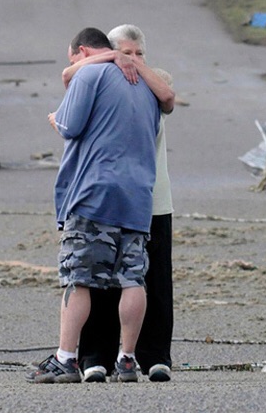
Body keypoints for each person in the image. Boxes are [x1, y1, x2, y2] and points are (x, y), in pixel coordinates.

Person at [29, 27, 160, 384]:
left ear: (82, 51)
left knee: (78, 277)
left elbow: (70, 126)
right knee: (133, 278)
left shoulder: (90, 72)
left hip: (94, 193)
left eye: (72, 60)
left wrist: (56, 118)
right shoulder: (146, 85)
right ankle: (128, 359)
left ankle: (66, 358)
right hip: (138, 195)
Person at [61, 25, 176, 383]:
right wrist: (112, 60)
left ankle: (150, 356)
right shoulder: (101, 76)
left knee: (143, 281)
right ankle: (102, 357)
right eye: (126, 52)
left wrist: (132, 65)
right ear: (109, 53)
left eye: (139, 54)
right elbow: (68, 74)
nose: (132, 60)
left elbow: (169, 98)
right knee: (114, 282)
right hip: (135, 195)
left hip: (142, 197)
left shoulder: (153, 83)